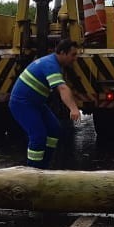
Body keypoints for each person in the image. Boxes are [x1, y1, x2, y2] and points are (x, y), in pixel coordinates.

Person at [9, 39, 82, 168]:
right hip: (22, 103)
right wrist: (73, 108)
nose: (75, 58)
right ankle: (33, 172)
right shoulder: (50, 64)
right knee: (38, 135)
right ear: (63, 53)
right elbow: (63, 88)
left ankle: (44, 167)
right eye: (73, 55)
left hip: (36, 103)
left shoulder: (53, 63)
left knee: (54, 129)